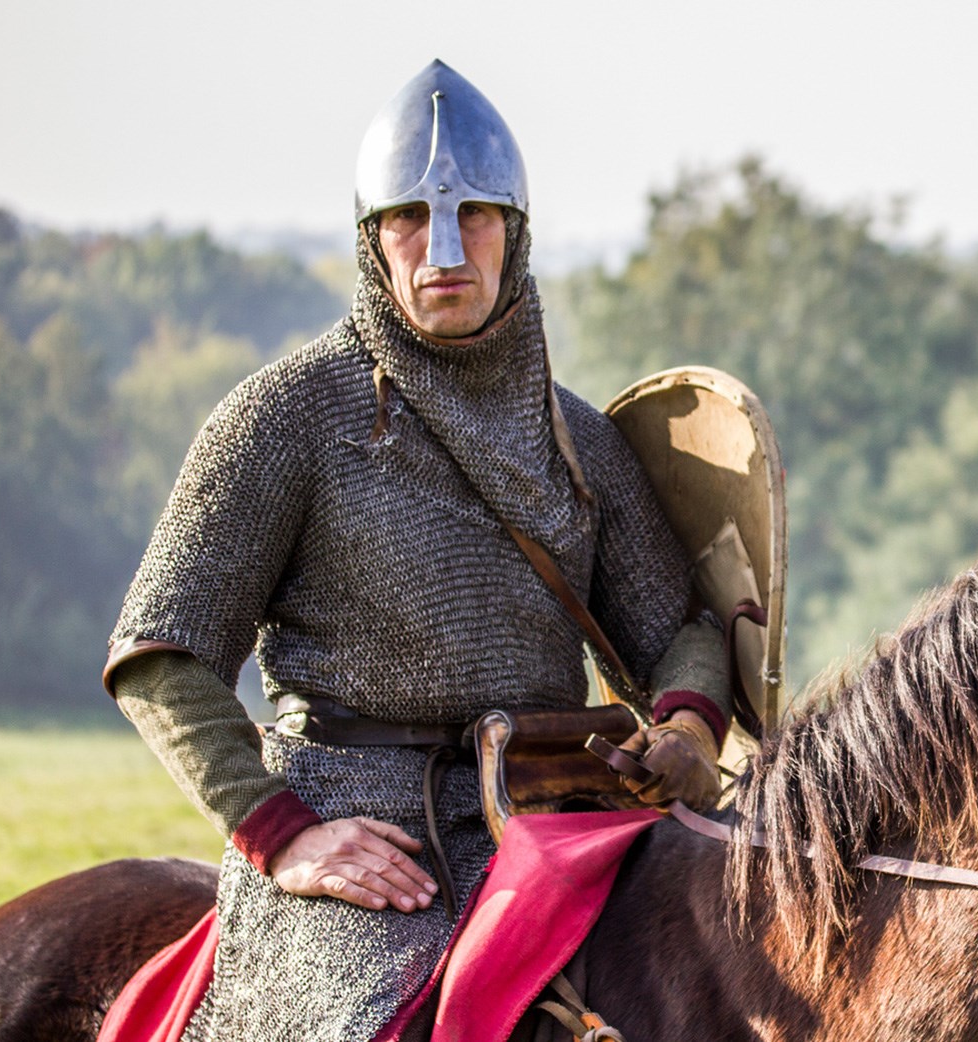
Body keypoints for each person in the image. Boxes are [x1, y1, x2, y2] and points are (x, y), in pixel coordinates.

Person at [103, 60, 729, 1041]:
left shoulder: (578, 441)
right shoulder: (287, 416)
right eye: (409, 217)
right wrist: (283, 833)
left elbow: (679, 630)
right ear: (372, 240)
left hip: (556, 814)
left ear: (515, 234)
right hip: (358, 830)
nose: (444, 247)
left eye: (474, 214)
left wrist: (687, 728)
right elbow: (161, 657)